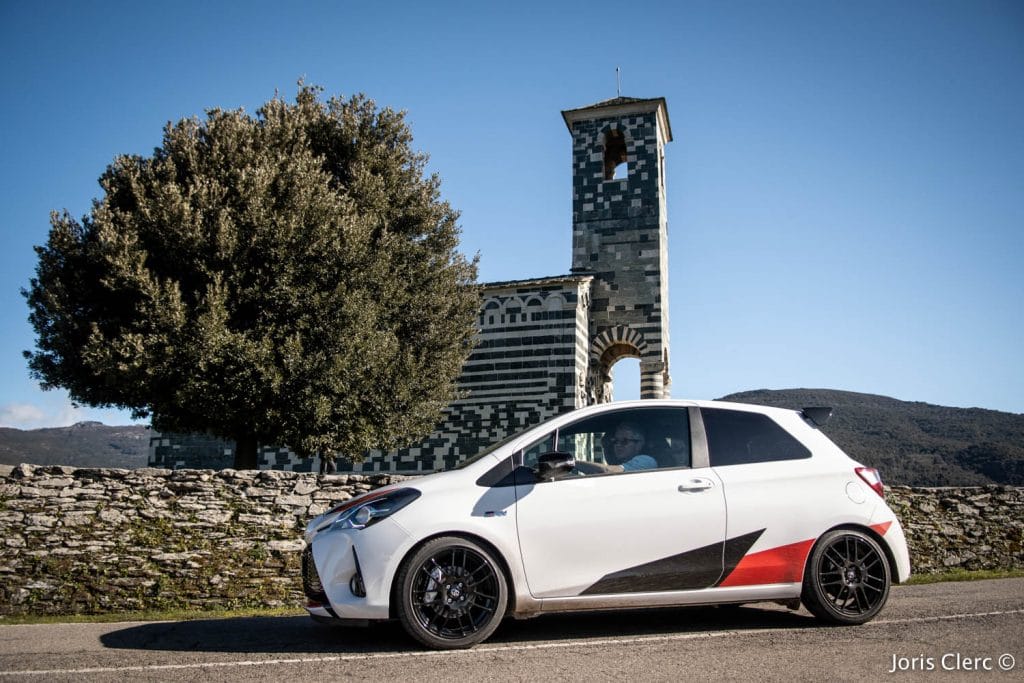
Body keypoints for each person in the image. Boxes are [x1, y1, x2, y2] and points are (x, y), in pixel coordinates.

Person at [576, 421, 657, 474]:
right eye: (615, 441)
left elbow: (607, 471)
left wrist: (571, 463)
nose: (618, 445)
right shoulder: (621, 462)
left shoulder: (646, 460)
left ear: (639, 444)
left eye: (624, 441)